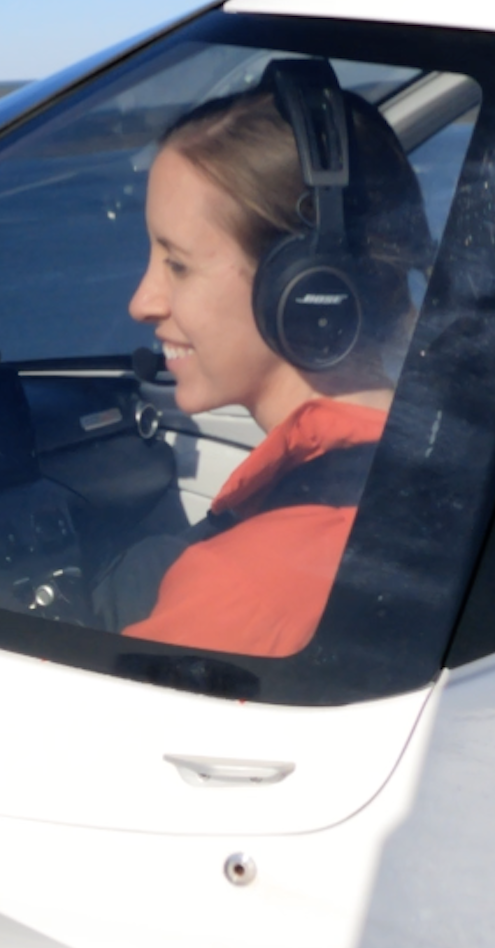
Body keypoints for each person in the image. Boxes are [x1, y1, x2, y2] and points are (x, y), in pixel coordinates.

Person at [108, 71, 433, 659]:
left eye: (177, 265)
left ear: (304, 289)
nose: (142, 302)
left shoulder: (238, 591)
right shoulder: (439, 447)